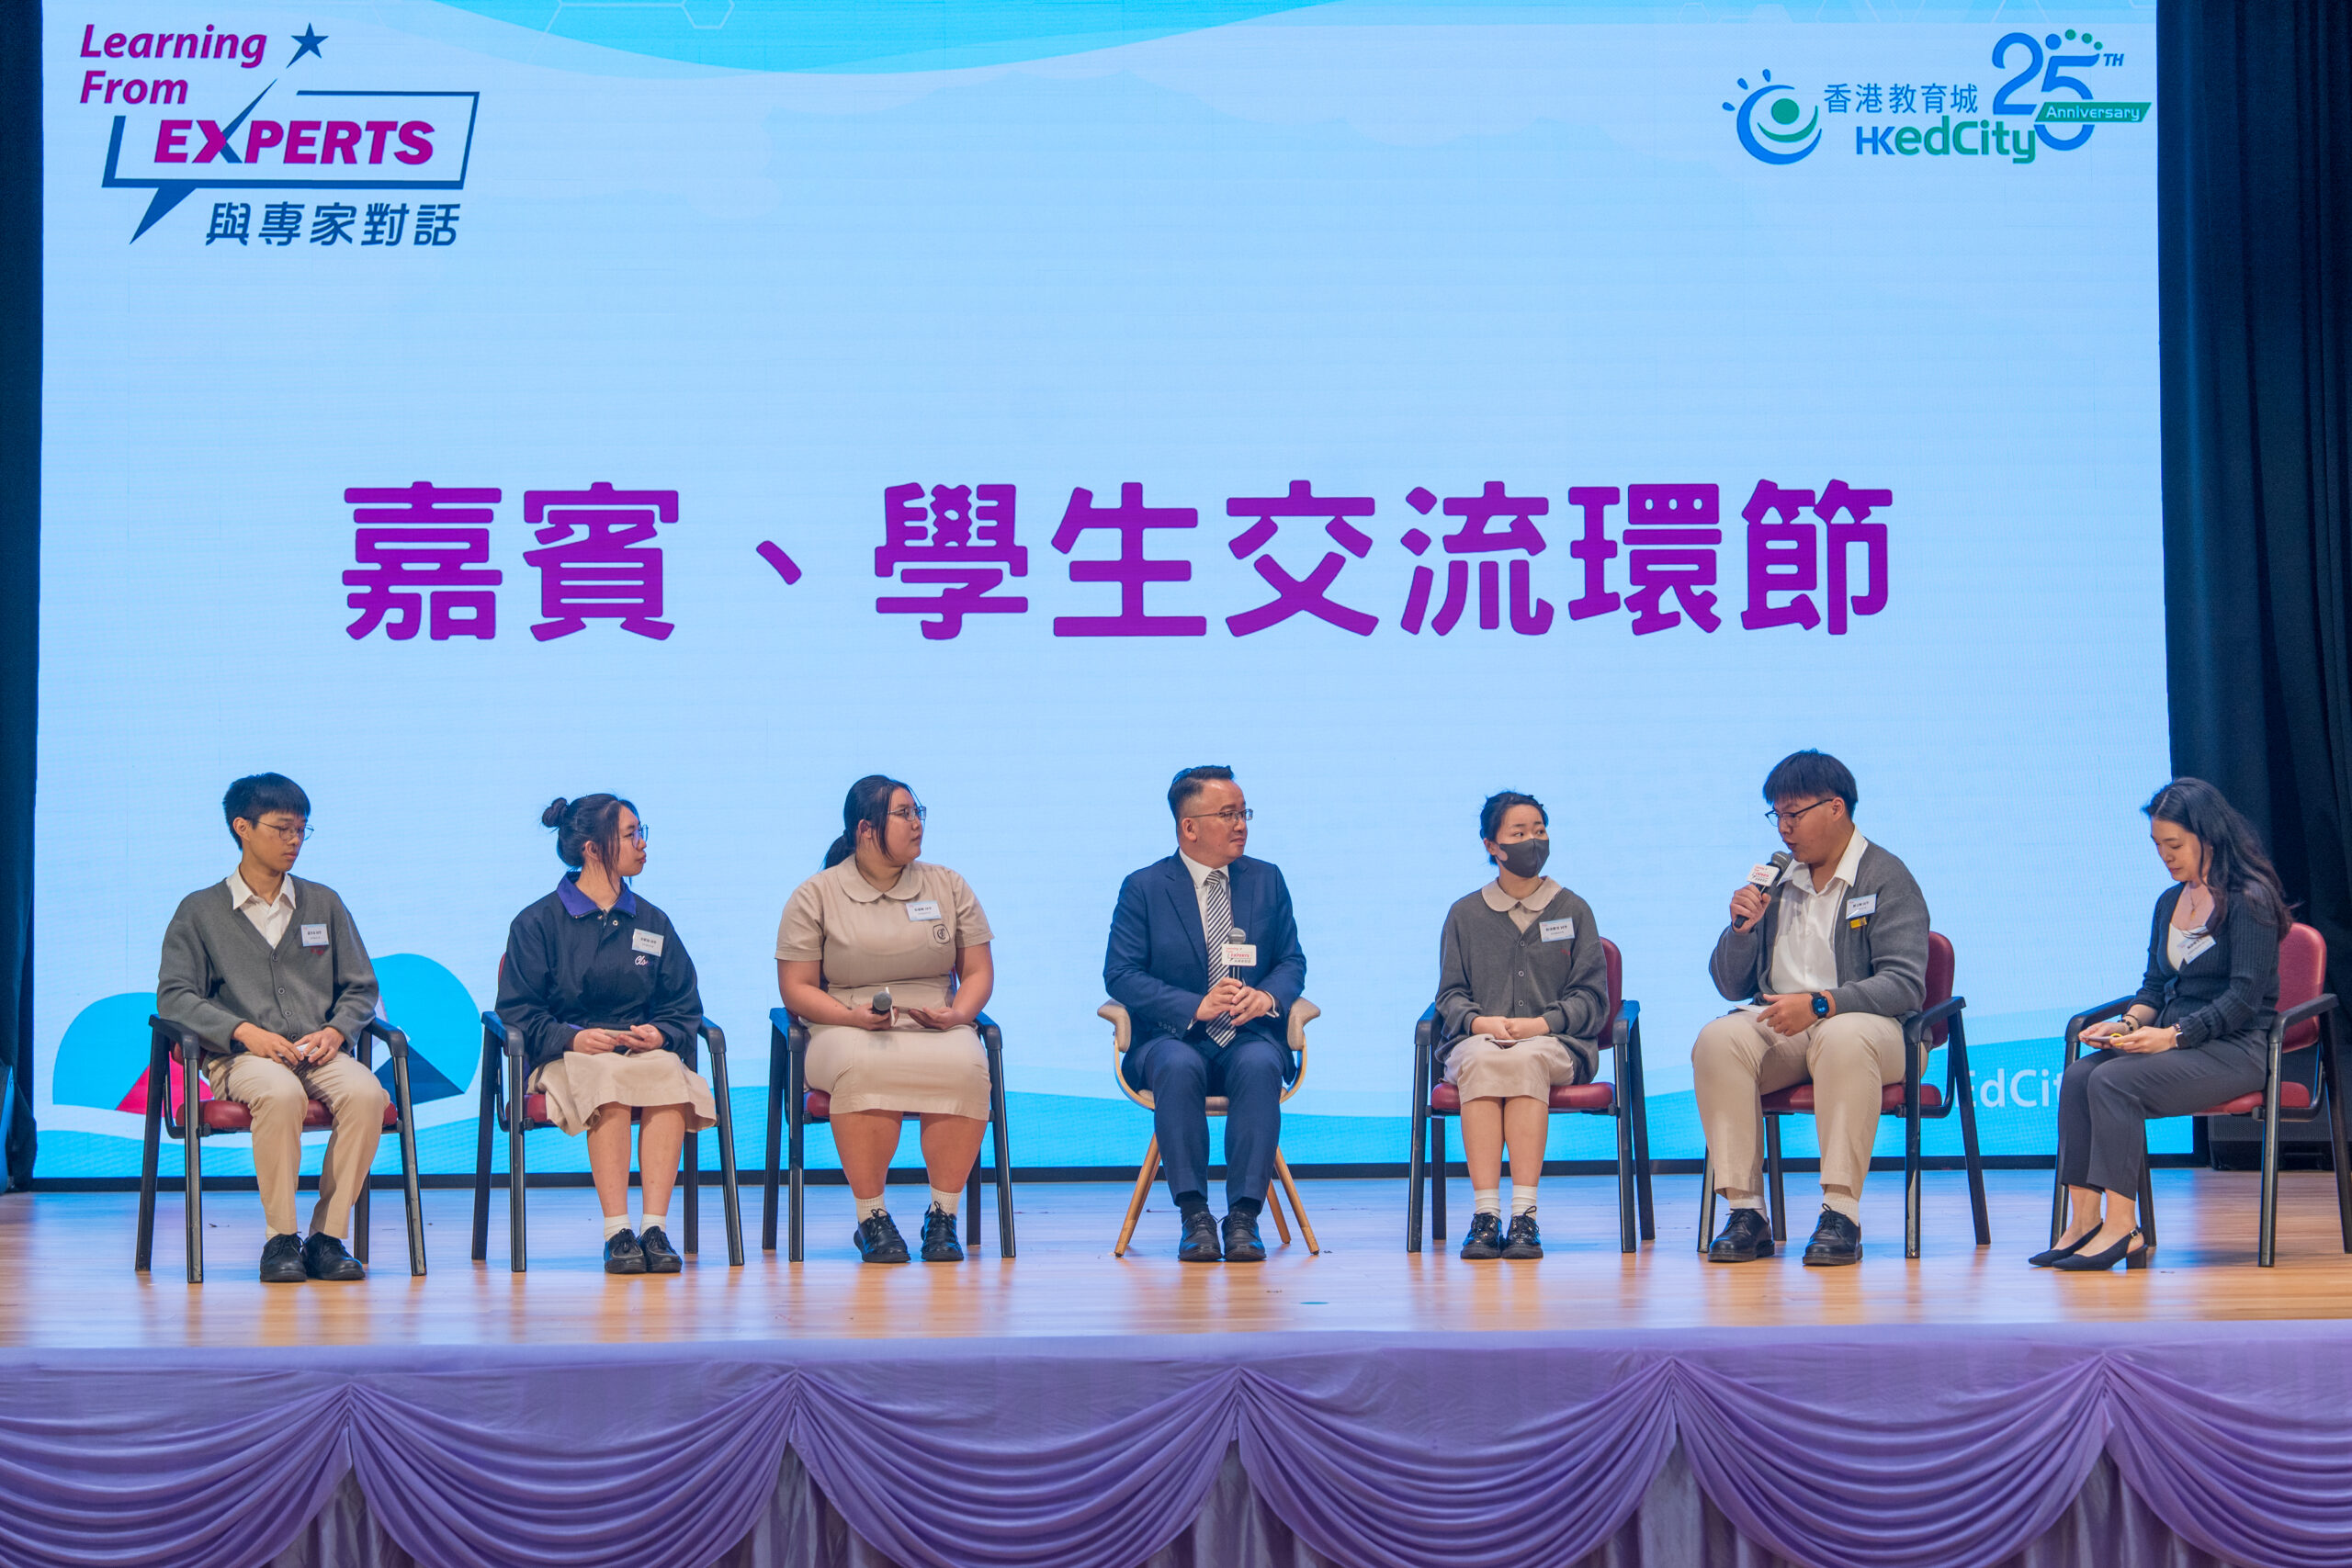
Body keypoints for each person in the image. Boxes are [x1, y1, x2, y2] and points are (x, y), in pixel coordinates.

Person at [2036, 779, 2289, 1272]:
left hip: (2235, 1048)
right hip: (2179, 1042)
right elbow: (2154, 986)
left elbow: (2242, 999)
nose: (2165, 856)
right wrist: (2127, 1024)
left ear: (2207, 837)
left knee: (2113, 1081)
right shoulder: (2168, 902)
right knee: (2079, 1076)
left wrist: (2173, 1037)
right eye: (2157, 845)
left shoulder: (2250, 901)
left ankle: (2123, 1228)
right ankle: (2083, 1221)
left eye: (2174, 844)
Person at [1695, 750, 1928, 1267]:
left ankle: (1840, 1212)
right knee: (1718, 1039)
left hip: (1878, 1033)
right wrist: (1741, 931)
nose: (1784, 828)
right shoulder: (1776, 882)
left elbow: (1905, 985)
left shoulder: (1885, 876)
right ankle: (1746, 1212)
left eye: (1794, 814)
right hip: (1789, 1029)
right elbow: (1730, 986)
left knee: (1842, 1036)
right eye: (1777, 815)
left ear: (1835, 808)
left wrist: (1823, 1004)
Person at [156, 773, 390, 1283]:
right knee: (281, 1094)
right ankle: (281, 1238)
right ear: (242, 827)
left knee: (368, 1094)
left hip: (318, 1052)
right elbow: (175, 997)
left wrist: (337, 1031)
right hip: (241, 1058)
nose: (294, 841)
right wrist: (242, 1030)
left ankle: (327, 1238)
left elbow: (361, 987)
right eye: (282, 828)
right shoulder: (200, 911)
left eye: (302, 830)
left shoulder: (323, 902)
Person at [776, 776, 995, 1264]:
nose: (917, 823)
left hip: (934, 1019)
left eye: (919, 812)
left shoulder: (948, 885)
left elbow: (979, 971)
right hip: (841, 1023)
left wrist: (959, 1014)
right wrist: (850, 1017)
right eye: (904, 813)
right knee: (864, 1068)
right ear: (866, 829)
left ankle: (943, 1217)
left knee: (967, 1065)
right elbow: (796, 988)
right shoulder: (816, 894)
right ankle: (872, 1218)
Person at [495, 795, 717, 1275]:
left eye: (641, 832)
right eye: (631, 834)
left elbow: (683, 1002)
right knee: (607, 1079)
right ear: (593, 849)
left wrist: (660, 1033)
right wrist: (571, 1038)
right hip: (564, 1056)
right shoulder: (536, 923)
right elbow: (517, 1010)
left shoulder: (653, 921)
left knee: (666, 1073)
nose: (642, 844)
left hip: (636, 1053)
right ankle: (618, 1232)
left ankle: (654, 1230)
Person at [1105, 765, 1306, 1263]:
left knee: (1259, 1064)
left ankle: (1244, 1218)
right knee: (1178, 1066)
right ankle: (1194, 1215)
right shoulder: (1145, 887)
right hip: (1171, 1037)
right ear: (1189, 827)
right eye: (1228, 814)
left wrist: (1267, 998)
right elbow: (1121, 974)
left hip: (1248, 1033)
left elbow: (1291, 961)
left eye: (1244, 813)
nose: (1241, 825)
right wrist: (1193, 1005)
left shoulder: (1266, 879)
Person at [1431, 791, 1610, 1260]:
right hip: (1480, 1039)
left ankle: (1524, 1215)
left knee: (1527, 1058)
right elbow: (1449, 995)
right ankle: (1486, 1216)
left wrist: (1541, 1024)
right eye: (1519, 832)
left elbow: (1593, 998)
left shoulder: (1573, 909)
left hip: (1554, 1043)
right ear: (1492, 846)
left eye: (1539, 830)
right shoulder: (1465, 914)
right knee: (1483, 1058)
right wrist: (1478, 1022)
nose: (1533, 840)